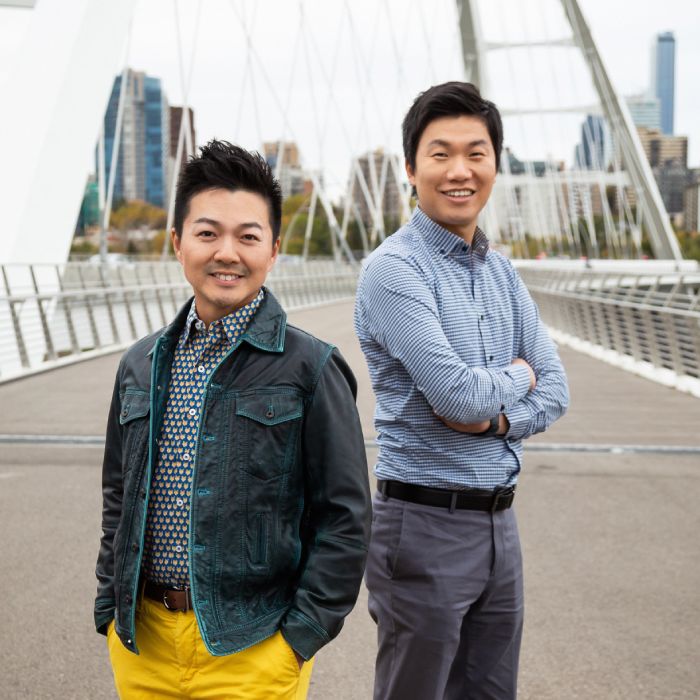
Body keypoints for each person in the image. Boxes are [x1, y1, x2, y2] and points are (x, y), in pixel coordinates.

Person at [95, 140, 371, 699]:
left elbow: (345, 516)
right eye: (207, 233)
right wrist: (107, 606)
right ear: (177, 243)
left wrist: (300, 638)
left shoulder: (310, 366)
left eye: (247, 236)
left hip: (253, 647)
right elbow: (118, 497)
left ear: (272, 251)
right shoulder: (139, 364)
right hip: (142, 643)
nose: (227, 252)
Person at [354, 82, 570, 699]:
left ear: (495, 164)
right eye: (440, 153)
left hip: (501, 523)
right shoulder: (394, 269)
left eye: (476, 153)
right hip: (423, 524)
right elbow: (459, 397)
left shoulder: (502, 271)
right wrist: (519, 375)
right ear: (410, 168)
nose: (460, 171)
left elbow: (556, 390)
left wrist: (502, 420)